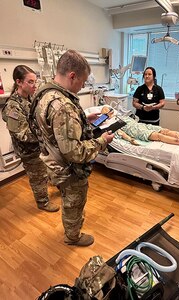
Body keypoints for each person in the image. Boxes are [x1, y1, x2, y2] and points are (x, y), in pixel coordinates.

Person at [31, 50, 114, 247]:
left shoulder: (45, 92)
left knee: (69, 198)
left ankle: (71, 232)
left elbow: (56, 128)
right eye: (83, 81)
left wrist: (85, 118)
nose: (83, 86)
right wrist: (102, 141)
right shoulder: (63, 106)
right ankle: (72, 236)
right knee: (73, 202)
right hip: (68, 167)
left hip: (52, 159)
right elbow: (75, 152)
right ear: (72, 76)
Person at [2, 65, 59, 213]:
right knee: (38, 177)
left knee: (49, 168)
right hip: (29, 151)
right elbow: (22, 134)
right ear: (19, 82)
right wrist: (48, 133)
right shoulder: (13, 107)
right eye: (31, 82)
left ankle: (55, 185)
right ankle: (43, 202)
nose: (35, 85)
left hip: (41, 145)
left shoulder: (31, 97)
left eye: (35, 81)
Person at [101, 106, 179, 148]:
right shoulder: (112, 124)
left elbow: (134, 119)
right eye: (107, 112)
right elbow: (122, 133)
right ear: (105, 116)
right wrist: (131, 140)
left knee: (165, 131)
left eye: (110, 110)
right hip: (137, 131)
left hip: (142, 125)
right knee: (159, 136)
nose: (111, 112)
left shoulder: (120, 115)